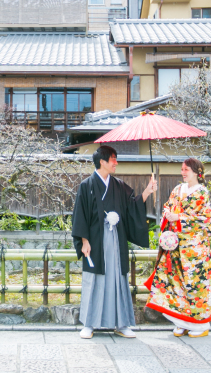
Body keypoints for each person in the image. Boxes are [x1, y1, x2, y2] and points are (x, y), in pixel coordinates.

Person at [71, 145, 156, 339]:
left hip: (116, 239)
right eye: (113, 159)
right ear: (102, 162)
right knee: (94, 279)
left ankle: (121, 323)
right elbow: (80, 215)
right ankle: (89, 324)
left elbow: (132, 207)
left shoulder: (118, 185)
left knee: (118, 278)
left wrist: (147, 192)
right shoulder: (87, 185)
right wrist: (83, 240)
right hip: (94, 240)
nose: (116, 163)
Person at [145, 157, 211, 338]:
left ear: (197, 172)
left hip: (194, 249)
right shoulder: (177, 189)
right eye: (182, 169)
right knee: (174, 282)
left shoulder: (202, 192)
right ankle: (180, 321)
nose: (183, 172)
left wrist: (178, 218)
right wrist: (168, 215)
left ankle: (200, 325)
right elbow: (167, 208)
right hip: (176, 247)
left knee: (195, 285)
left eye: (187, 169)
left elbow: (205, 220)